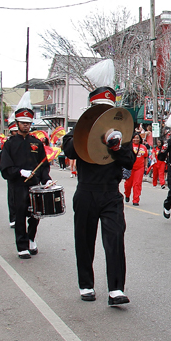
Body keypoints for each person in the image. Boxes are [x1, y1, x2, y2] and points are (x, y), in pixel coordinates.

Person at [62, 86, 135, 305]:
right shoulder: (79, 128)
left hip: (110, 193)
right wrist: (89, 133)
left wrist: (116, 145)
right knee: (84, 241)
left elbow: (129, 160)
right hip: (86, 191)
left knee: (115, 239)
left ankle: (116, 289)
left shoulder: (121, 132)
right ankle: (86, 285)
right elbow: (69, 150)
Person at [0, 94, 51, 259]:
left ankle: (31, 238)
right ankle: (21, 246)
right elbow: (5, 167)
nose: (26, 126)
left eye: (29, 123)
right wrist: (20, 172)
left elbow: (43, 163)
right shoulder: (10, 144)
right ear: (17, 124)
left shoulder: (36, 143)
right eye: (23, 123)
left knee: (36, 214)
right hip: (19, 185)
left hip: (35, 184)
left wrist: (46, 179)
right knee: (21, 215)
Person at [124, 133, 148, 206]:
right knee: (128, 184)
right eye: (134, 138)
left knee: (137, 184)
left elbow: (145, 157)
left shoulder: (143, 147)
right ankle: (127, 195)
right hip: (130, 168)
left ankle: (136, 200)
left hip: (140, 168)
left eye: (137, 138)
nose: (136, 139)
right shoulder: (129, 147)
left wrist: (146, 166)